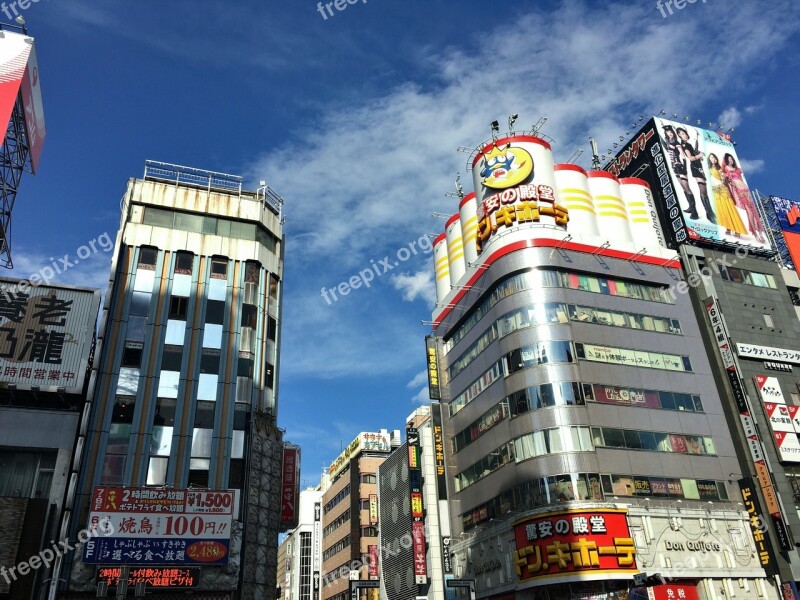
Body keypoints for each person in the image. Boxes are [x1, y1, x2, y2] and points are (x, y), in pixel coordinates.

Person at [722, 153, 766, 243]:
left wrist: (747, 190)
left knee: (753, 211)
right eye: (729, 159)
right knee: (749, 212)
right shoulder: (726, 168)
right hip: (739, 191)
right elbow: (726, 178)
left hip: (745, 190)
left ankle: (760, 233)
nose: (731, 160)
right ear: (726, 160)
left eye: (732, 159)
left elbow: (741, 179)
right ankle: (755, 234)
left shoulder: (738, 169)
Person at [677, 127, 716, 223]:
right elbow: (690, 158)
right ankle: (709, 214)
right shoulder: (685, 145)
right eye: (681, 134)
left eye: (684, 133)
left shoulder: (688, 144)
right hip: (695, 168)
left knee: (704, 191)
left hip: (699, 167)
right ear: (679, 136)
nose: (684, 135)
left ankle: (710, 212)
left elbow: (694, 156)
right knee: (703, 190)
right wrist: (700, 155)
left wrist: (699, 156)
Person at [663, 125, 699, 219]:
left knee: (687, 188)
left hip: (680, 165)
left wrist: (682, 164)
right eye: (668, 132)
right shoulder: (668, 142)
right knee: (683, 187)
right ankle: (691, 208)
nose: (670, 134)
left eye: (671, 132)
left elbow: (682, 154)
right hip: (674, 166)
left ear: (673, 133)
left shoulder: (676, 142)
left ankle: (695, 212)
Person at [707, 153, 747, 237]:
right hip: (715, 191)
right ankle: (728, 228)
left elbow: (724, 180)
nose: (713, 158)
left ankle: (737, 230)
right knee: (722, 210)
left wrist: (723, 176)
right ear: (709, 159)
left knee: (730, 209)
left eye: (714, 157)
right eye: (711, 157)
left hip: (722, 190)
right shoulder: (708, 169)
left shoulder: (720, 169)